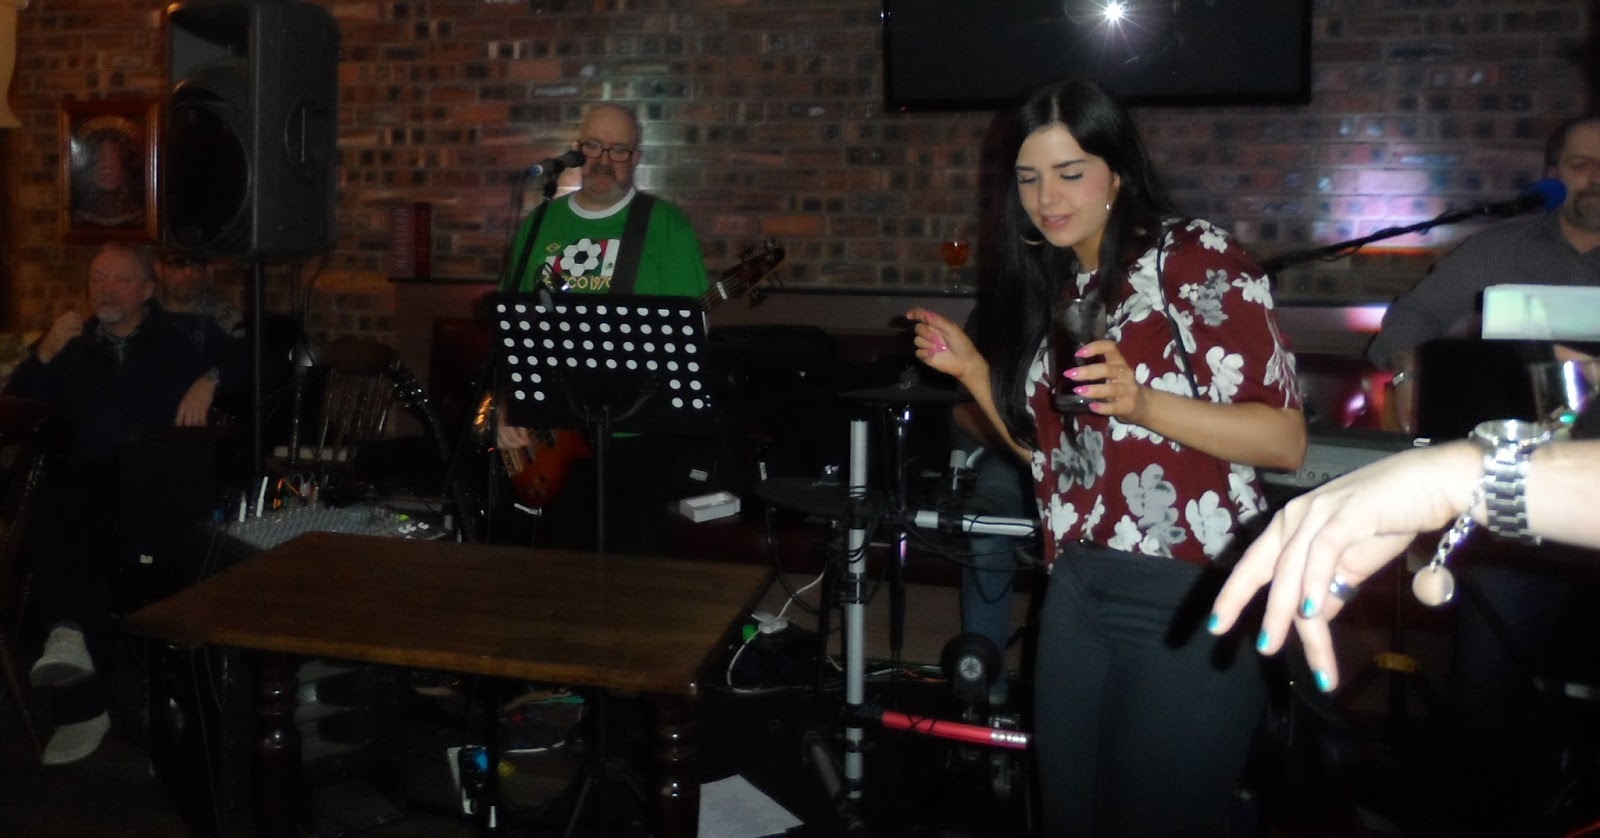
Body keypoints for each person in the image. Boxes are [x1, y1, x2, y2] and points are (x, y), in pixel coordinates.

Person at [905, 78, 1307, 836]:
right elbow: (1050, 461)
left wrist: (1143, 403)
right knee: (1065, 816)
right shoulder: (1064, 285)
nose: (1045, 197)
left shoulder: (1193, 254)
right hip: (1078, 587)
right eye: (1028, 178)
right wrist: (974, 373)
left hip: (1191, 587)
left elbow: (1284, 439)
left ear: (1118, 172)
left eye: (1069, 172)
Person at [5, 242, 239, 765]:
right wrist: (44, 354)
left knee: (110, 535)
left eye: (120, 279)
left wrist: (211, 378)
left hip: (157, 482)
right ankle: (77, 684)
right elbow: (18, 406)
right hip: (87, 484)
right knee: (61, 511)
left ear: (148, 290)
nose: (105, 289)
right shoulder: (73, 342)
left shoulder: (185, 337)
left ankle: (157, 688)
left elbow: (258, 361)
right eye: (97, 278)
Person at [495, 102, 710, 554]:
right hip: (553, 436)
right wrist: (505, 406)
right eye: (593, 146)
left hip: (636, 442)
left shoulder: (666, 227)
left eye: (619, 150)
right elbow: (512, 331)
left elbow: (689, 339)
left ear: (636, 157)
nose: (604, 160)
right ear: (577, 150)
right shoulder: (539, 224)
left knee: (631, 575)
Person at [1368, 115, 1600, 433]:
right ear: (1553, 176)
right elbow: (1414, 314)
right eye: (1580, 164)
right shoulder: (1499, 249)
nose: (1596, 177)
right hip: (1514, 437)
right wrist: (1411, 370)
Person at [155, 247, 243, 336]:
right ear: (160, 269)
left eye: (196, 263)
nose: (188, 273)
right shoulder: (148, 311)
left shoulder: (228, 320)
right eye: (178, 263)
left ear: (207, 270)